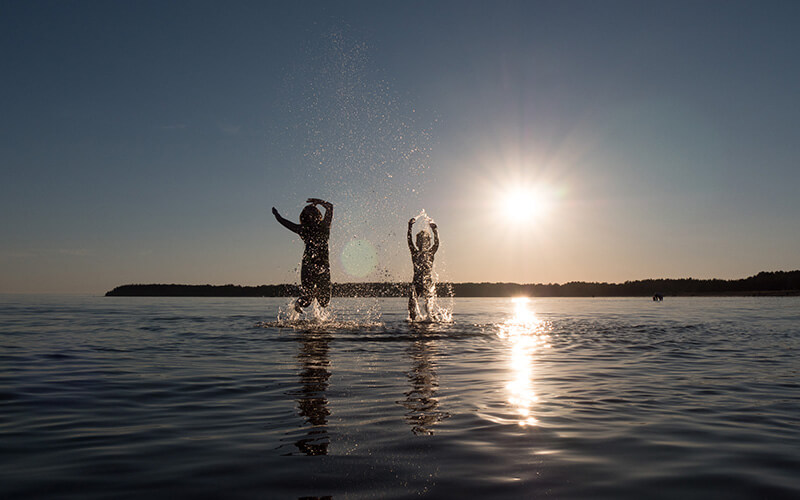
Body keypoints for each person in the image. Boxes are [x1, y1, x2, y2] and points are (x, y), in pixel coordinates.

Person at [272, 198, 333, 313]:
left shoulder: (304, 229)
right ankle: (312, 294)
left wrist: (277, 215)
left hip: (309, 265)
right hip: (321, 266)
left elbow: (284, 222)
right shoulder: (323, 227)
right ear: (318, 215)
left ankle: (300, 302)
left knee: (311, 300)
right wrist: (319, 202)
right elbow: (330, 207)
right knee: (323, 302)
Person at [407, 215, 439, 320]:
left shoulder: (431, 253)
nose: (422, 243)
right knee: (412, 302)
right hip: (416, 283)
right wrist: (409, 227)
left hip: (427, 282)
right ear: (417, 243)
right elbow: (409, 240)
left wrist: (435, 230)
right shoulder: (414, 253)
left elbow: (437, 243)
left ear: (428, 242)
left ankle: (431, 319)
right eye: (420, 241)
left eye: (424, 241)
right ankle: (412, 320)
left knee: (428, 308)